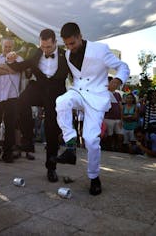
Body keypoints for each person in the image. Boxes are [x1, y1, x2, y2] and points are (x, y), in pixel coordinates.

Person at [55, 22, 130, 195]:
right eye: (66, 44)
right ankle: (71, 146)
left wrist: (117, 80)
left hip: (96, 97)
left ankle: (94, 177)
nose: (69, 48)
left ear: (80, 36)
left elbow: (123, 67)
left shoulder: (100, 49)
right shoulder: (67, 54)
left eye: (72, 43)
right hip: (79, 92)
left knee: (91, 140)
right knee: (61, 101)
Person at [5, 29, 70, 182]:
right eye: (42, 46)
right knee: (21, 101)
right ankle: (28, 138)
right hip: (38, 87)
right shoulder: (37, 52)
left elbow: (78, 73)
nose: (45, 50)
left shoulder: (65, 56)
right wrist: (10, 60)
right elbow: (24, 65)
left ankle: (51, 168)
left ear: (55, 42)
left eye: (48, 47)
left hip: (55, 92)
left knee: (51, 129)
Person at [0, 38, 23, 163]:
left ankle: (8, 153)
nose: (8, 49)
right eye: (5, 46)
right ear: (1, 47)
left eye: (10, 47)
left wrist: (2, 68)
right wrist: (9, 68)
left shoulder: (19, 59)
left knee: (10, 126)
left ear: (13, 47)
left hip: (12, 96)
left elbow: (16, 70)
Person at [103, 77, 123, 151]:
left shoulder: (118, 94)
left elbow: (121, 107)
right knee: (109, 135)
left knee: (120, 135)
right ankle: (110, 149)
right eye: (113, 83)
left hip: (117, 119)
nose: (115, 85)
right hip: (108, 118)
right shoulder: (104, 93)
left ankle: (118, 149)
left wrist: (121, 119)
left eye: (116, 83)